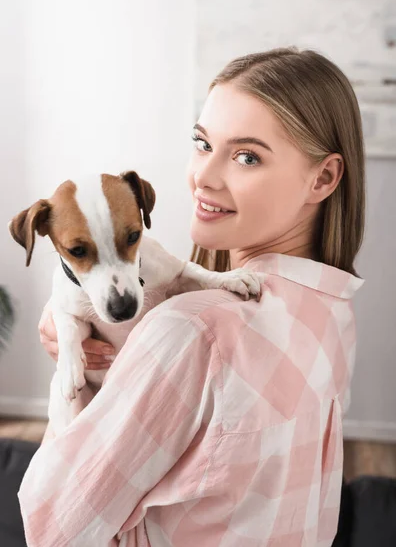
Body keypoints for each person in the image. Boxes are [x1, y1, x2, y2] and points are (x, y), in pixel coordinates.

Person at [18, 47, 365, 546]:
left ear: (324, 178)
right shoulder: (332, 306)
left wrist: (82, 388)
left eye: (247, 156)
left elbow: (51, 527)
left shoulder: (192, 332)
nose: (203, 176)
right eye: (202, 143)